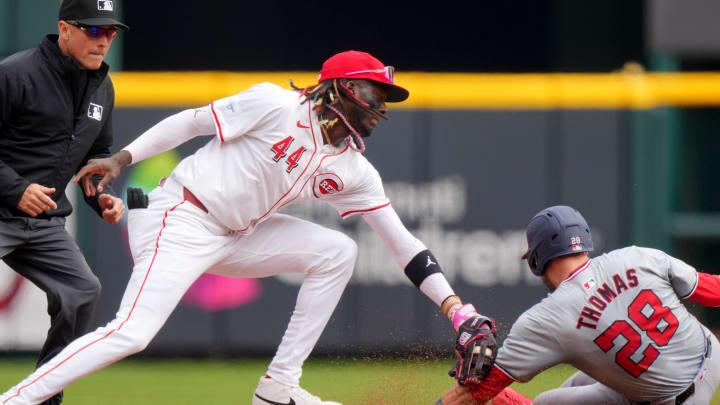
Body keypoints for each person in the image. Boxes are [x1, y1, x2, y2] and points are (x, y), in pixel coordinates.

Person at [0, 50, 489, 405]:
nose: (381, 105)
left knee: (337, 252)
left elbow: (403, 243)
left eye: (386, 96)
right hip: (181, 214)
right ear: (338, 86)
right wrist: (122, 158)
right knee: (132, 333)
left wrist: (456, 310)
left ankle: (279, 385)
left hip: (236, 234)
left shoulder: (354, 169)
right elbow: (192, 123)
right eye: (373, 91)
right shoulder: (275, 105)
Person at [435, 205, 720, 405]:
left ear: (536, 259)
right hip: (710, 355)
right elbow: (713, 290)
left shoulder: (547, 318)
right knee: (565, 392)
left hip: (670, 399)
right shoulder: (640, 256)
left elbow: (479, 391)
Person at [0, 1, 128, 404]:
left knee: (83, 292)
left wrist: (101, 199)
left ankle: (39, 397)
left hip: (43, 223)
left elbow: (96, 160)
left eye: (111, 32)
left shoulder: (103, 88)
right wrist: (15, 188)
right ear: (64, 29)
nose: (104, 40)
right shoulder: (16, 74)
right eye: (93, 30)